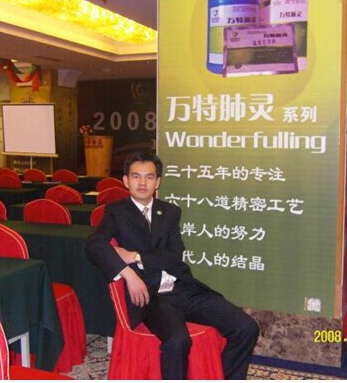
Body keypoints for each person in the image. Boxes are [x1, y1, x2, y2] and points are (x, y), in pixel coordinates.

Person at [86, 151, 259, 379]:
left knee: (246, 327)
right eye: (136, 176)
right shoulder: (116, 212)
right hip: (152, 297)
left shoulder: (169, 212)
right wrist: (128, 274)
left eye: (149, 177)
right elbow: (94, 245)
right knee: (178, 340)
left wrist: (135, 257)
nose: (142, 183)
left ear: (158, 182)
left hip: (184, 288)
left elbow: (174, 255)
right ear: (126, 181)